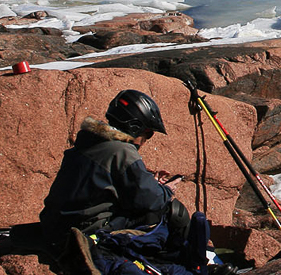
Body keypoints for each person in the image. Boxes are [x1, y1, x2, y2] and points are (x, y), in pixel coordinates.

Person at [39, 89, 190, 254]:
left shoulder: (88, 143)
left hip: (55, 226)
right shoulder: (122, 151)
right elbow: (149, 200)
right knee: (173, 211)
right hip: (85, 231)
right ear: (134, 127)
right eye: (149, 133)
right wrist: (166, 190)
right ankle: (187, 262)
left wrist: (150, 184)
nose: (147, 138)